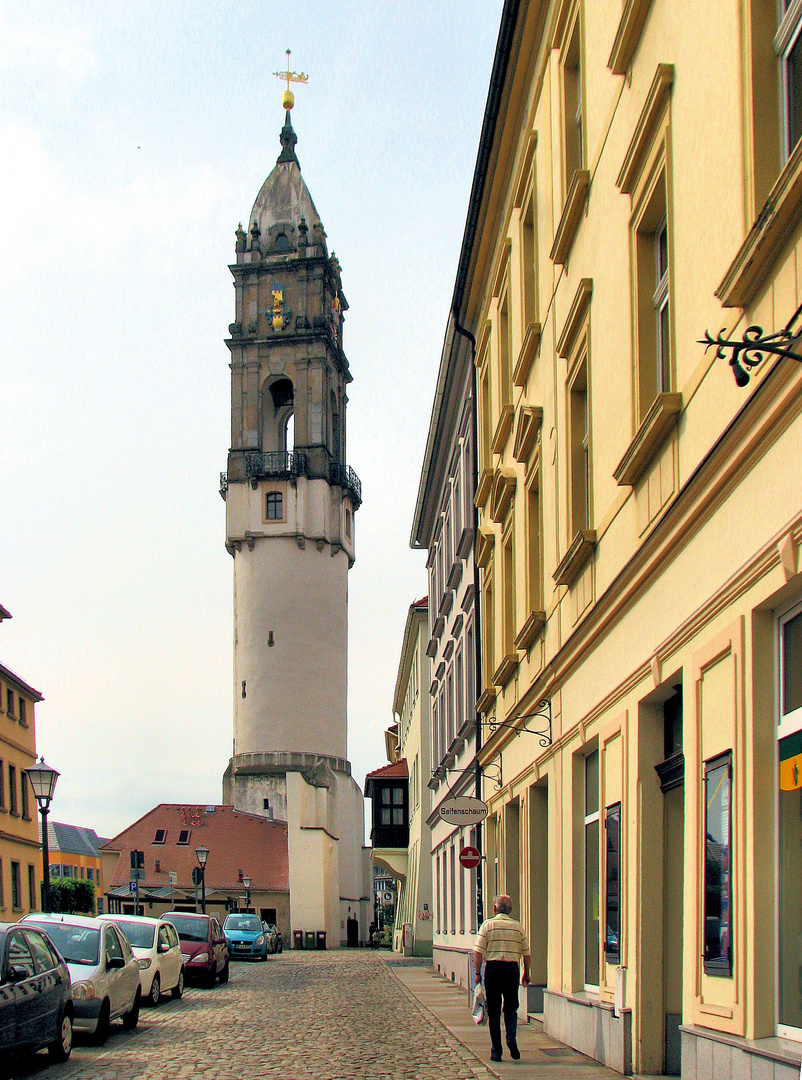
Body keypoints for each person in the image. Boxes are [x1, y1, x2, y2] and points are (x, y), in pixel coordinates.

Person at [474, 894, 530, 1063]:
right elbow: (526, 953)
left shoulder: (488, 926)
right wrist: (526, 972)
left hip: (493, 970)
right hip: (512, 970)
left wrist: (477, 974)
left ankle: (496, 1050)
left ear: (495, 908)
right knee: (511, 1008)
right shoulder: (518, 927)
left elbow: (478, 953)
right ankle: (511, 1038)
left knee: (494, 1010)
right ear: (510, 910)